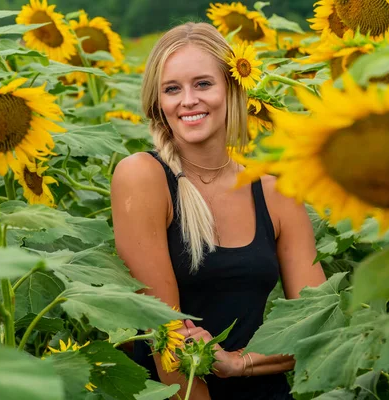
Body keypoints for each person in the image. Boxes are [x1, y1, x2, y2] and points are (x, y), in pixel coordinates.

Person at [111, 21, 326, 400]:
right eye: (172, 89)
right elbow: (167, 341)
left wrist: (239, 362)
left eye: (203, 84)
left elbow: (319, 325)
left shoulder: (277, 194)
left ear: (232, 88)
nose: (188, 100)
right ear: (158, 103)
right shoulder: (143, 177)